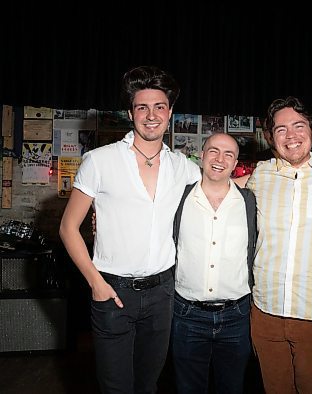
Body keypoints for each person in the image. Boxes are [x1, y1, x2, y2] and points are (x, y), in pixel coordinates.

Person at [59, 65, 201, 394]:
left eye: (159, 107)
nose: (151, 115)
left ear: (170, 113)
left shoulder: (184, 167)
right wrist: (96, 283)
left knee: (148, 385)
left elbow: (223, 188)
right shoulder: (99, 161)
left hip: (163, 294)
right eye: (142, 107)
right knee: (116, 388)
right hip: (112, 292)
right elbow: (68, 227)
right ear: (130, 113)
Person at [235, 96, 312, 393]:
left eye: (299, 126)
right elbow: (217, 188)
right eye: (281, 129)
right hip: (265, 312)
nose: (291, 136)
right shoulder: (260, 175)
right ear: (270, 137)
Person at [171, 133, 257, 393]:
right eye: (213, 151)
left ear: (235, 163)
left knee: (232, 388)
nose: (220, 159)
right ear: (201, 155)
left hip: (237, 316)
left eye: (228, 154)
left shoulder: (250, 201)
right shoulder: (178, 197)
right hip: (186, 315)